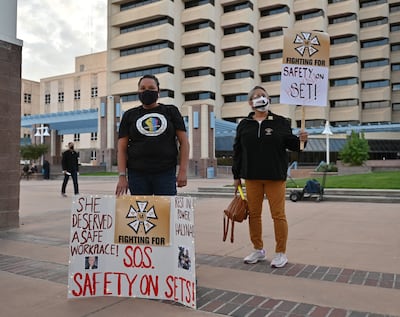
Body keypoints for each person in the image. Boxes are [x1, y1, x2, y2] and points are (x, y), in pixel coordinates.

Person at [232, 86, 308, 268]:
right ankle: (258, 249)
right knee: (254, 215)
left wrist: (302, 139)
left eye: (263, 95)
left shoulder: (280, 122)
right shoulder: (244, 125)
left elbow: (294, 146)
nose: (261, 98)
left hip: (275, 176)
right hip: (252, 177)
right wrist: (236, 176)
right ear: (251, 103)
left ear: (269, 99)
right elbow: (238, 151)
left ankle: (281, 253)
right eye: (257, 96)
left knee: (278, 215)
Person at [115, 74, 189, 196]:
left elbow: (184, 143)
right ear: (138, 91)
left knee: (165, 212)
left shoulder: (171, 111)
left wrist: (182, 170)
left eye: (151, 88)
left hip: (165, 173)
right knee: (141, 213)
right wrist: (122, 176)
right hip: (137, 175)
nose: (147, 91)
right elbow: (121, 149)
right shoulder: (129, 115)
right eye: (143, 88)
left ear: (158, 91)